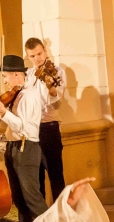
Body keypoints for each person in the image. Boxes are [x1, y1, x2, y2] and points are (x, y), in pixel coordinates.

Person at [0, 55, 48, 222]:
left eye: (5, 76)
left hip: (26, 147)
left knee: (32, 198)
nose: (5, 81)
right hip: (13, 147)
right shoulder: (17, 95)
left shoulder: (28, 96)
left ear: (16, 74)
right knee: (19, 199)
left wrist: (5, 113)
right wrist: (2, 113)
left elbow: (24, 128)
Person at [24, 38, 67, 202]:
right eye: (32, 56)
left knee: (56, 175)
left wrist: (51, 89)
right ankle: (41, 218)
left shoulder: (57, 72)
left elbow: (56, 104)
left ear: (45, 51)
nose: (37, 59)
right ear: (28, 57)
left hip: (49, 127)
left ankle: (61, 215)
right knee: (36, 177)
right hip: (31, 130)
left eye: (39, 54)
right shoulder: (27, 75)